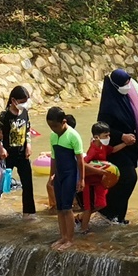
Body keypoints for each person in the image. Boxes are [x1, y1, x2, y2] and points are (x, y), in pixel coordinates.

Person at [97, 69, 138, 224]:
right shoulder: (108, 105)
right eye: (124, 84)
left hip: (130, 148)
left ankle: (119, 217)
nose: (127, 86)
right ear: (115, 86)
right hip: (116, 149)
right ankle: (106, 210)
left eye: (128, 82)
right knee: (129, 179)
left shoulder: (126, 98)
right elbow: (102, 127)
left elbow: (134, 115)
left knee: (125, 180)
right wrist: (122, 136)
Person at [0, 86, 35, 218]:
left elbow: (27, 129)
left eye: (26, 100)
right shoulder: (4, 116)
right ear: (13, 100)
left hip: (22, 154)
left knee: (27, 184)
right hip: (7, 154)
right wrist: (0, 147)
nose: (25, 103)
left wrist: (29, 145)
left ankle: (28, 213)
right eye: (22, 101)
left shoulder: (25, 112)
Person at [45, 107, 83, 250]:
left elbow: (80, 160)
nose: (53, 129)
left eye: (55, 126)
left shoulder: (73, 136)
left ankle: (70, 239)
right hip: (60, 175)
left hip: (70, 175)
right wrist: (51, 176)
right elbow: (53, 158)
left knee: (67, 208)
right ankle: (63, 236)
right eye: (50, 126)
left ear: (64, 122)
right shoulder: (53, 136)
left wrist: (81, 179)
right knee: (60, 208)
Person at [79, 121, 121, 232]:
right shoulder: (93, 149)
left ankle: (80, 217)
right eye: (105, 136)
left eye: (108, 135)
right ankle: (84, 230)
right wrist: (99, 172)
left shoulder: (103, 147)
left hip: (99, 182)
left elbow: (113, 150)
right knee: (88, 207)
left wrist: (126, 144)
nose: (108, 137)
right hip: (90, 182)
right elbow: (83, 163)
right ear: (97, 137)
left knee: (101, 204)